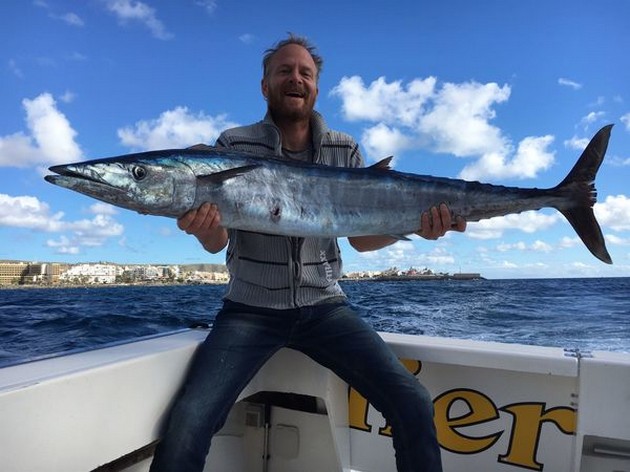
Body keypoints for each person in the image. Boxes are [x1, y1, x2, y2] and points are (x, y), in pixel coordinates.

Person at [150, 34, 466, 472]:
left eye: (305, 73)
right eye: (284, 71)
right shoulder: (232, 146)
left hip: (326, 308)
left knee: (411, 400)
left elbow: (361, 236)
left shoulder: (344, 149)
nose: (295, 79)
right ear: (265, 86)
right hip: (249, 310)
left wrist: (417, 227)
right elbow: (218, 241)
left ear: (316, 87)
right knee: (189, 421)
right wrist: (205, 232)